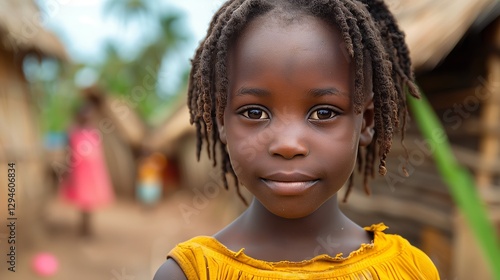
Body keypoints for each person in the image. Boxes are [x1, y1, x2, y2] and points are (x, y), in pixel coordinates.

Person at [154, 0, 439, 278]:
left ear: (365, 122)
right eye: (255, 112)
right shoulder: (191, 273)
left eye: (324, 112)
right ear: (221, 121)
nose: (288, 145)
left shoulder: (410, 270)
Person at [59, 102, 115, 236]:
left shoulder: (94, 132)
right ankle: (84, 227)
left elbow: (98, 154)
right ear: (79, 116)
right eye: (84, 115)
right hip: (79, 173)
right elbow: (68, 153)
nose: (87, 118)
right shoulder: (72, 132)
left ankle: (87, 227)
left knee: (89, 202)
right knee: (83, 201)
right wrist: (68, 172)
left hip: (92, 173)